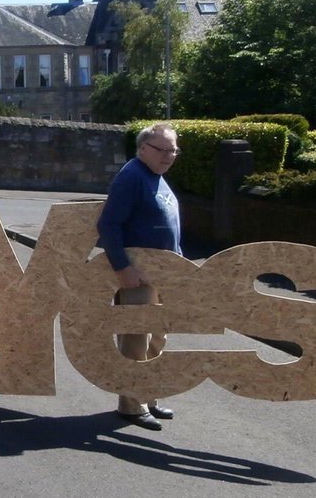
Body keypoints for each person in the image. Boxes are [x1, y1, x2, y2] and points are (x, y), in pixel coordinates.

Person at [95, 122, 182, 431]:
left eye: (173, 150)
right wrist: (122, 268)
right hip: (136, 276)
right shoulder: (131, 177)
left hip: (161, 275)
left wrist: (179, 267)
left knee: (158, 337)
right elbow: (109, 226)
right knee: (136, 340)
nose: (169, 155)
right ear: (143, 148)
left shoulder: (156, 177)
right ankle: (132, 405)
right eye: (163, 149)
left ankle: (148, 394)